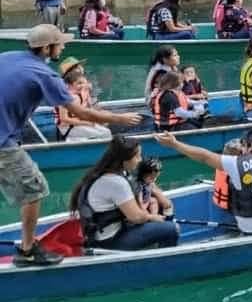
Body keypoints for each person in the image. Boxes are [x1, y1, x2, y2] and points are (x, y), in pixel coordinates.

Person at [0, 26, 143, 265]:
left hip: (7, 136)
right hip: (3, 143)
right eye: (60, 43)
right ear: (46, 48)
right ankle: (28, 251)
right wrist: (119, 119)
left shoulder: (7, 57)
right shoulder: (45, 74)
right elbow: (80, 112)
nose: (64, 46)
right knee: (35, 190)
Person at [157, 127, 252, 232]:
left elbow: (204, 156)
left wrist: (175, 144)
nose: (241, 149)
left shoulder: (234, 163)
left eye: (243, 145)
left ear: (250, 146)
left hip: (248, 226)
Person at [70, 136, 179, 251]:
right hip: (111, 241)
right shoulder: (116, 182)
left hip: (101, 234)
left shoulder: (103, 174)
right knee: (172, 228)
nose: (140, 159)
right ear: (124, 159)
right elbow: (136, 217)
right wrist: (153, 217)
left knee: (160, 211)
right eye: (137, 156)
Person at [55, 62, 112, 141]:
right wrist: (88, 122)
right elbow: (64, 119)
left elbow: (88, 106)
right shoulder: (65, 94)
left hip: (78, 121)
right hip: (69, 126)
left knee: (105, 126)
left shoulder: (81, 89)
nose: (81, 68)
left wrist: (96, 117)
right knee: (104, 132)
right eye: (77, 67)